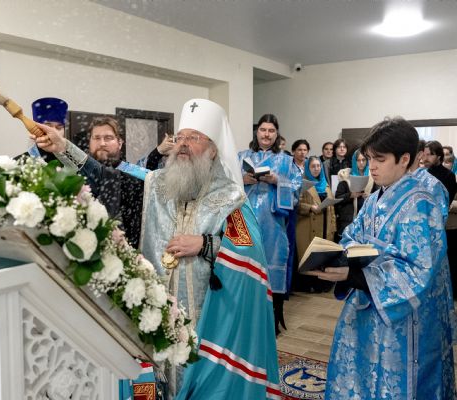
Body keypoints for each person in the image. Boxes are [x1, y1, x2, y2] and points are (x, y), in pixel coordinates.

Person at [308, 117, 456, 399]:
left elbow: (419, 270)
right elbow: (351, 235)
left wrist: (356, 274)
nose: (372, 166)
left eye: (380, 159)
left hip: (402, 317)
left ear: (404, 159)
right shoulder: (376, 199)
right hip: (368, 303)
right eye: (369, 158)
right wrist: (339, 257)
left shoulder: (421, 202)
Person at [141, 99, 279, 399]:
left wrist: (205, 244)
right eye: (180, 137)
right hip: (158, 313)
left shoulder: (229, 198)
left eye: (194, 138)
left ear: (213, 150)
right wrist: (63, 150)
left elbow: (249, 252)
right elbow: (108, 176)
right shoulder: (156, 186)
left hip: (207, 319)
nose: (183, 144)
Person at [29, 99, 145, 248]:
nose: (102, 143)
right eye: (96, 138)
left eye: (108, 138)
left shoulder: (134, 176)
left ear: (120, 142)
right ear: (89, 142)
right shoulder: (72, 169)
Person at [238, 114, 302, 335]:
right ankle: (245, 320)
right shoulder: (241, 157)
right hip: (243, 220)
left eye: (271, 131)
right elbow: (225, 185)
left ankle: (271, 321)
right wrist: (241, 180)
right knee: (244, 266)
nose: (266, 134)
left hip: (272, 223)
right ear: (257, 132)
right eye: (263, 130)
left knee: (271, 267)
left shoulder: (286, 161)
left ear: (277, 134)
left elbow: (297, 190)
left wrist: (278, 181)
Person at [295, 156, 336, 293]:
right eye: (313, 166)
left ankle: (320, 284)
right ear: (307, 168)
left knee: (322, 256)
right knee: (309, 257)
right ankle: (308, 285)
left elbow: (331, 208)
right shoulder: (302, 183)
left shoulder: (325, 184)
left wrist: (333, 227)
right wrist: (310, 208)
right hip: (308, 226)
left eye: (318, 166)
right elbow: (295, 204)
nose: (316, 169)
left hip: (325, 225)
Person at [334, 150, 375, 240]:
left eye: (363, 160)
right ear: (354, 161)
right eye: (358, 160)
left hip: (365, 218)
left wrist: (370, 196)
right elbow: (337, 198)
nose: (361, 163)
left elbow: (379, 195)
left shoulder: (373, 176)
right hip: (348, 218)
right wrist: (350, 195)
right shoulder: (346, 176)